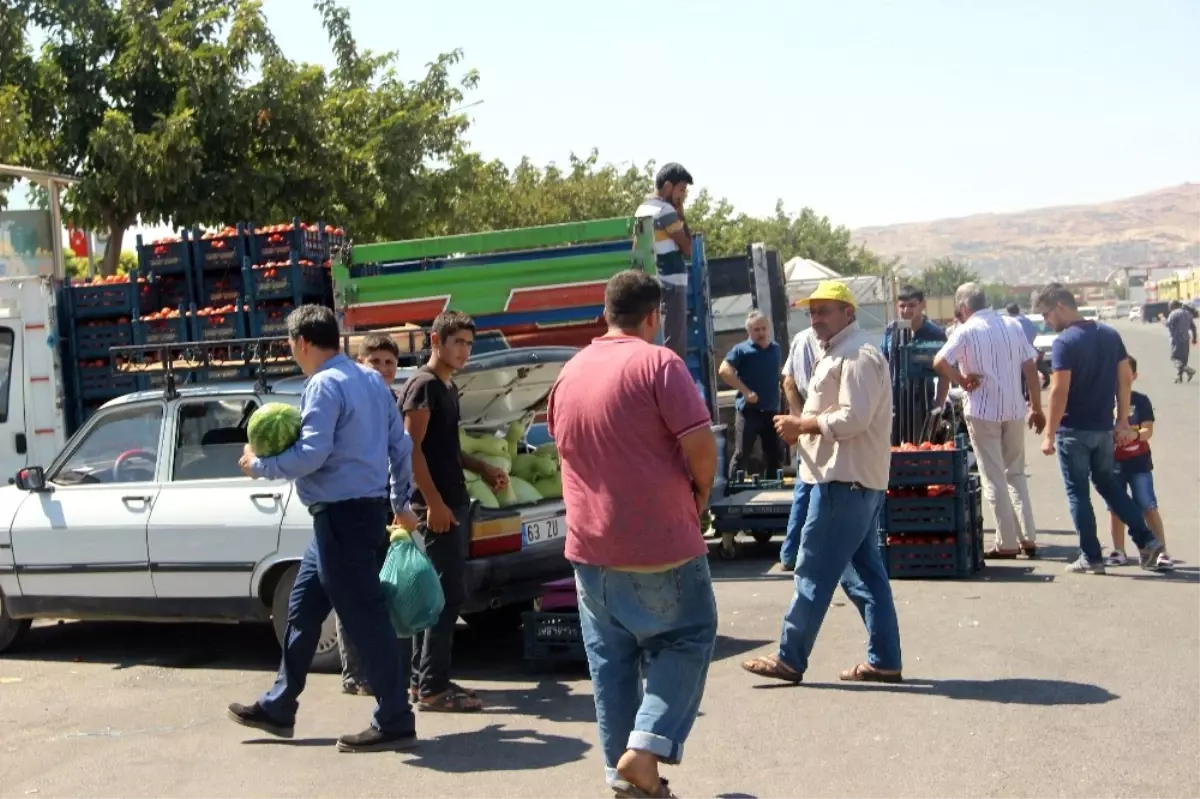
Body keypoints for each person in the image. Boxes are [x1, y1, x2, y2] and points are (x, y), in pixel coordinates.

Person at [548, 269, 718, 799]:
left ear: (606, 313)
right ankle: (643, 752)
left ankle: (625, 782)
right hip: (659, 544)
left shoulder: (570, 373)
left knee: (612, 668)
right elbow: (700, 447)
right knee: (688, 638)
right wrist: (701, 493)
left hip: (590, 554)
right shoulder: (658, 363)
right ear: (652, 317)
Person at [227, 304, 422, 752]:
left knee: (364, 618)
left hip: (342, 518)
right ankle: (280, 705)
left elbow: (311, 454)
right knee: (302, 610)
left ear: (301, 342)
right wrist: (398, 501)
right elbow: (400, 444)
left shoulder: (323, 384)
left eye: (291, 347)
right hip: (351, 516)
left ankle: (394, 717)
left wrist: (260, 466)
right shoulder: (371, 380)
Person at [742, 281, 902, 686]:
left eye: (825, 311)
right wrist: (803, 427)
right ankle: (884, 659)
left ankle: (790, 657)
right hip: (847, 481)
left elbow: (854, 418)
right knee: (865, 573)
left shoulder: (858, 355)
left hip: (842, 482)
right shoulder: (842, 352)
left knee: (813, 571)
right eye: (812, 312)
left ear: (848, 313)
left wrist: (803, 424)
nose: (816, 319)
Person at [401, 310, 507, 713]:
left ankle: (423, 680)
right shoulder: (423, 386)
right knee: (445, 598)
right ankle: (432, 688)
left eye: (468, 344)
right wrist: (434, 504)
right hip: (436, 508)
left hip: (451, 501)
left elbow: (445, 449)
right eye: (457, 342)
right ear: (436, 341)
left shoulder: (447, 387)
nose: (464, 350)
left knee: (437, 595)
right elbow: (411, 450)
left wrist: (483, 467)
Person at [1033, 283, 1171, 574]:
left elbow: (1059, 390)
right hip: (1103, 429)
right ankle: (1147, 540)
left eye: (1046, 314)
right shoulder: (1109, 335)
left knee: (1078, 494)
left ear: (1060, 307)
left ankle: (1091, 557)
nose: (1046, 321)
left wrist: (1049, 434)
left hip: (1073, 430)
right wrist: (1122, 419)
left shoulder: (1065, 342)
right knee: (1108, 484)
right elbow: (1125, 381)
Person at [934, 283, 1043, 559]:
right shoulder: (1012, 325)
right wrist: (1037, 406)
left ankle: (1006, 543)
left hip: (983, 410)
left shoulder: (966, 330)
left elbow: (939, 361)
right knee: (1015, 473)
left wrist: (961, 381)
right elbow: (1030, 366)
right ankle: (1028, 537)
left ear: (963, 308)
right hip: (1014, 408)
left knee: (993, 476)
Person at [336, 333, 403, 696]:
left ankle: (379, 669)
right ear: (361, 363)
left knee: (380, 592)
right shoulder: (352, 400)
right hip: (354, 506)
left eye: (389, 362)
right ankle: (355, 674)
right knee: (354, 592)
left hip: (382, 508)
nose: (382, 368)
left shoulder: (391, 400)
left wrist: (399, 504)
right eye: (374, 361)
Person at [1106, 357, 1172, 568]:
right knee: (1116, 508)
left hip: (1139, 463)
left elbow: (1147, 430)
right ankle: (1119, 550)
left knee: (1147, 505)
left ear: (1134, 376)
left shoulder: (1141, 401)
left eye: (1126, 375)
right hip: (1113, 463)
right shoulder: (1105, 402)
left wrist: (1132, 435)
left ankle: (1161, 551)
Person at [635, 162, 694, 359]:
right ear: (668, 186)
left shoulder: (643, 208)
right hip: (672, 282)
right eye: (682, 189)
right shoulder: (667, 211)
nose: (683, 195)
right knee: (675, 344)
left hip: (654, 278)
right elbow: (688, 249)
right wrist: (682, 215)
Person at [719, 310, 784, 481]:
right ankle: (732, 490)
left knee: (774, 454)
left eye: (763, 328)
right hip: (748, 411)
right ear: (749, 331)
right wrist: (746, 391)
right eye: (756, 330)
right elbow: (724, 371)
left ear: (768, 328)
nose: (761, 333)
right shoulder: (741, 350)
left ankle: (773, 487)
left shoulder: (775, 349)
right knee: (742, 454)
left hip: (771, 410)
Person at [880, 285, 947, 445]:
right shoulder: (891, 331)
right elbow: (882, 366)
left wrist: (938, 407)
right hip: (894, 403)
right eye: (902, 306)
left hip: (923, 402)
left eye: (912, 305)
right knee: (894, 449)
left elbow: (945, 373)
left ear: (922, 305)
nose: (906, 310)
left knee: (921, 448)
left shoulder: (935, 334)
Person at [778, 326, 820, 572]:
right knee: (813, 491)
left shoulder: (801, 338)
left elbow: (788, 380)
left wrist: (798, 418)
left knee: (804, 490)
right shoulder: (813, 340)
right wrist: (802, 421)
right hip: (820, 423)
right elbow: (789, 381)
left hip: (808, 420)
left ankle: (791, 553)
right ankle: (798, 554)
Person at [1164, 300, 1196, 383]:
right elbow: (1193, 327)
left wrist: (1162, 319)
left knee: (1174, 358)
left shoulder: (1174, 313)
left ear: (1173, 306)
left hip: (1176, 339)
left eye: (1170, 306)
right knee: (1182, 360)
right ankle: (1179, 377)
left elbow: (1168, 324)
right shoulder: (1188, 313)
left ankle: (1189, 370)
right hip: (1185, 339)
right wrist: (1194, 338)